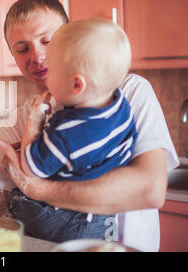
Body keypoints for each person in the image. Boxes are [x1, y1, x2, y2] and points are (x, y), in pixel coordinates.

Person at [0, 0, 179, 251]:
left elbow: (150, 190)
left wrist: (39, 190)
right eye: (22, 49)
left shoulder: (128, 93)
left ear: (70, 36)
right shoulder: (15, 120)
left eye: (48, 40)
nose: (37, 55)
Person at [11, 18, 138, 242]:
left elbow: (31, 168)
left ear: (77, 85)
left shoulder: (67, 130)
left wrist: (35, 118)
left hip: (69, 221)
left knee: (17, 202)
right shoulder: (119, 103)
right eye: (22, 48)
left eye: (52, 71)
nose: (42, 65)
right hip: (102, 219)